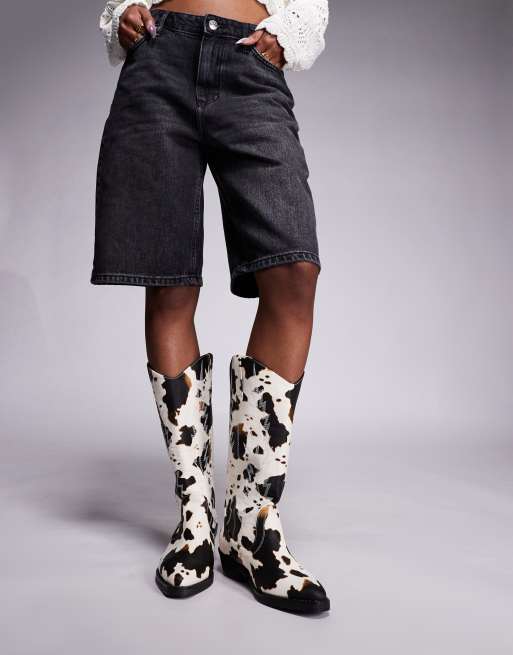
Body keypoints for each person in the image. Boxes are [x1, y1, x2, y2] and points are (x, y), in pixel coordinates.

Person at [91, 0, 330, 614]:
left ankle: (251, 524)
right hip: (158, 65)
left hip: (250, 67)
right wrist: (123, 13)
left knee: (293, 269)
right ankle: (195, 517)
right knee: (170, 280)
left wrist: (288, 34)